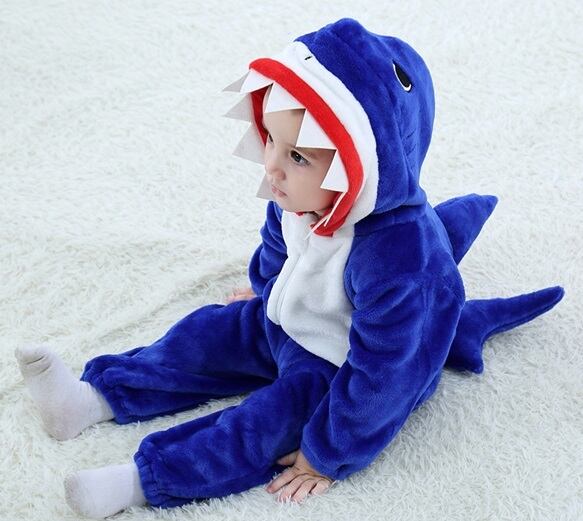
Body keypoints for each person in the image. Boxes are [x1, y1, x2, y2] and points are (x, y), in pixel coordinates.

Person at [15, 17, 564, 519]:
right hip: (283, 322)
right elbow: (277, 250)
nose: (272, 168)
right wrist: (266, 290)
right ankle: (90, 400)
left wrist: (331, 451)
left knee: (265, 425)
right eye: (271, 141)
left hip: (337, 361)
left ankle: (139, 481)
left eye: (298, 156)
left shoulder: (399, 259)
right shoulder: (296, 196)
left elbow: (388, 375)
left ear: (360, 166)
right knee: (201, 337)